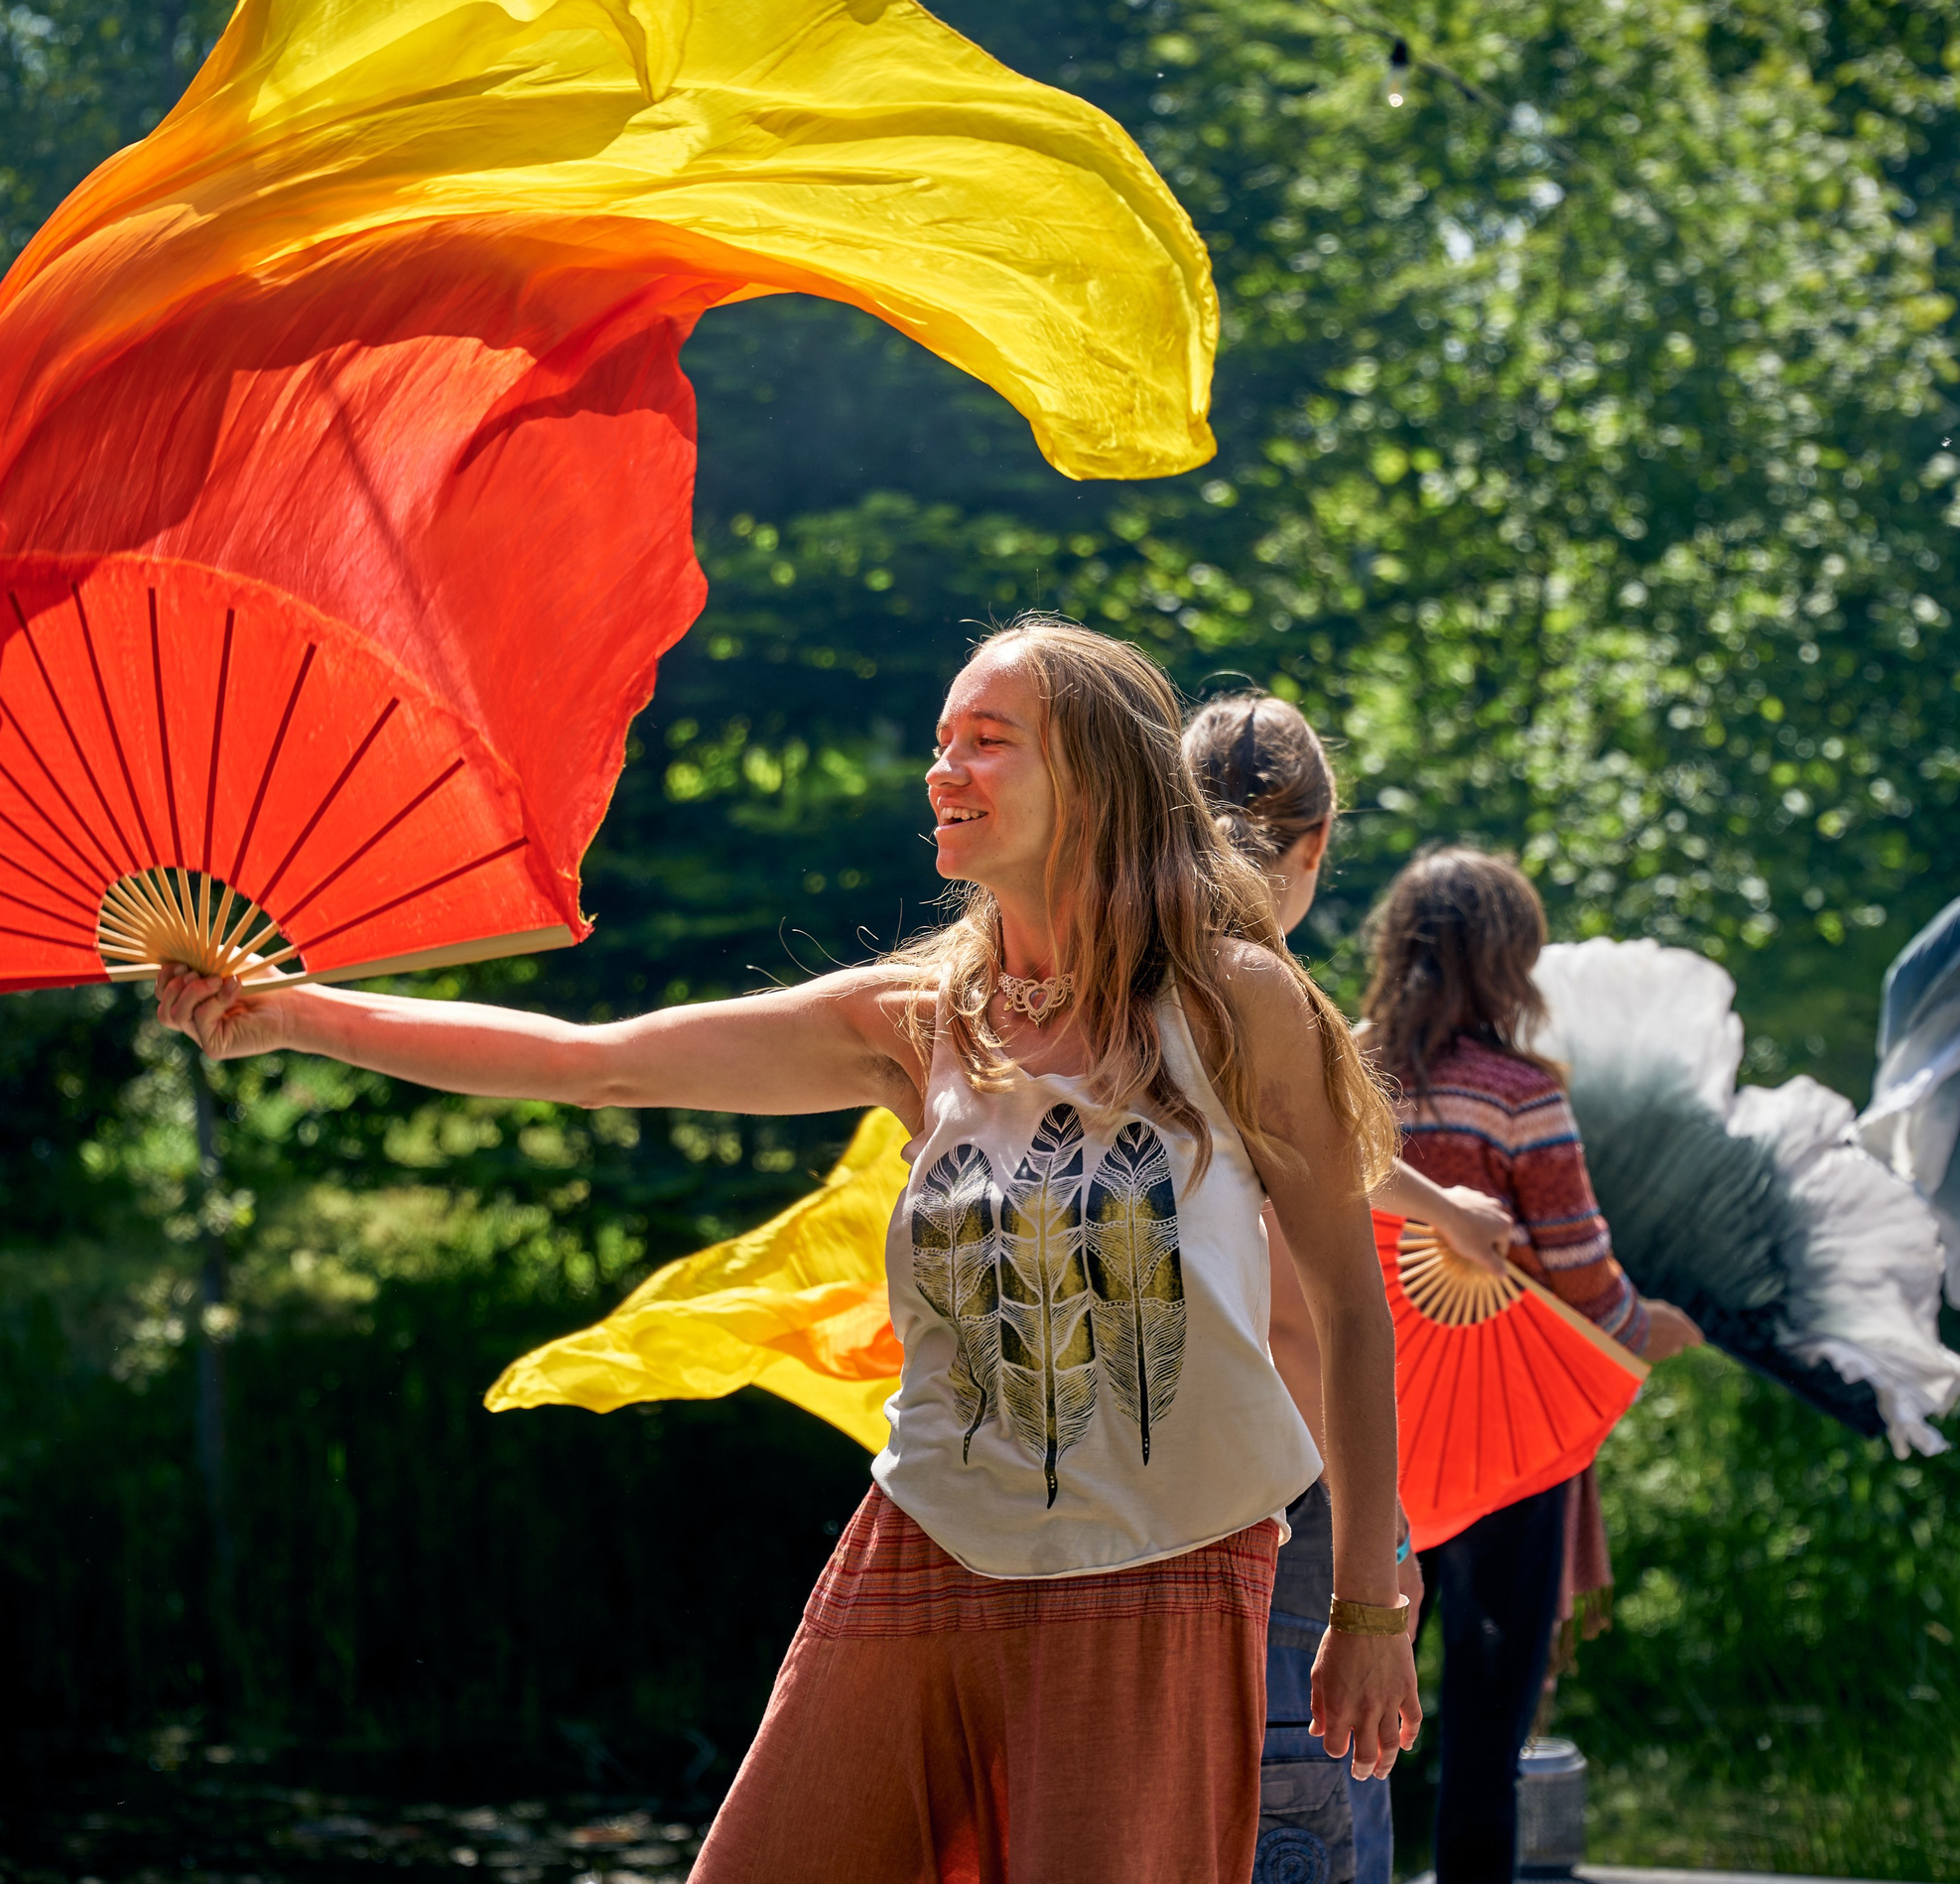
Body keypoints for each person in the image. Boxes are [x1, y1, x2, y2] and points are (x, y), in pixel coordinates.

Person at [160, 618, 1422, 1884]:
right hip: (926, 1539)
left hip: (1162, 1572)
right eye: (939, 743)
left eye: (987, 742)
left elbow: (1350, 1310)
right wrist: (292, 1014)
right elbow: (595, 1063)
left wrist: (1367, 1604)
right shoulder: (921, 1023)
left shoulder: (1235, 1001)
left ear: (1096, 774)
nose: (942, 771)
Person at [1183, 695, 1514, 1884]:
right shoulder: (1273, 1003)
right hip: (1285, 1503)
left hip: (1135, 1487)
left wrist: (1439, 1210)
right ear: (1316, 845)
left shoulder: (1113, 991)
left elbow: (1328, 1157)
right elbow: (1297, 1319)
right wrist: (1377, 1564)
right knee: (1308, 1815)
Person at [1355, 848, 1700, 1884]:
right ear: (1508, 963)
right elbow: (1590, 1292)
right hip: (1498, 1435)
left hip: (1356, 1426)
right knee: (1485, 1721)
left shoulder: (1336, 1072)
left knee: (1343, 1710)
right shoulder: (1520, 1095)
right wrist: (1677, 1326)